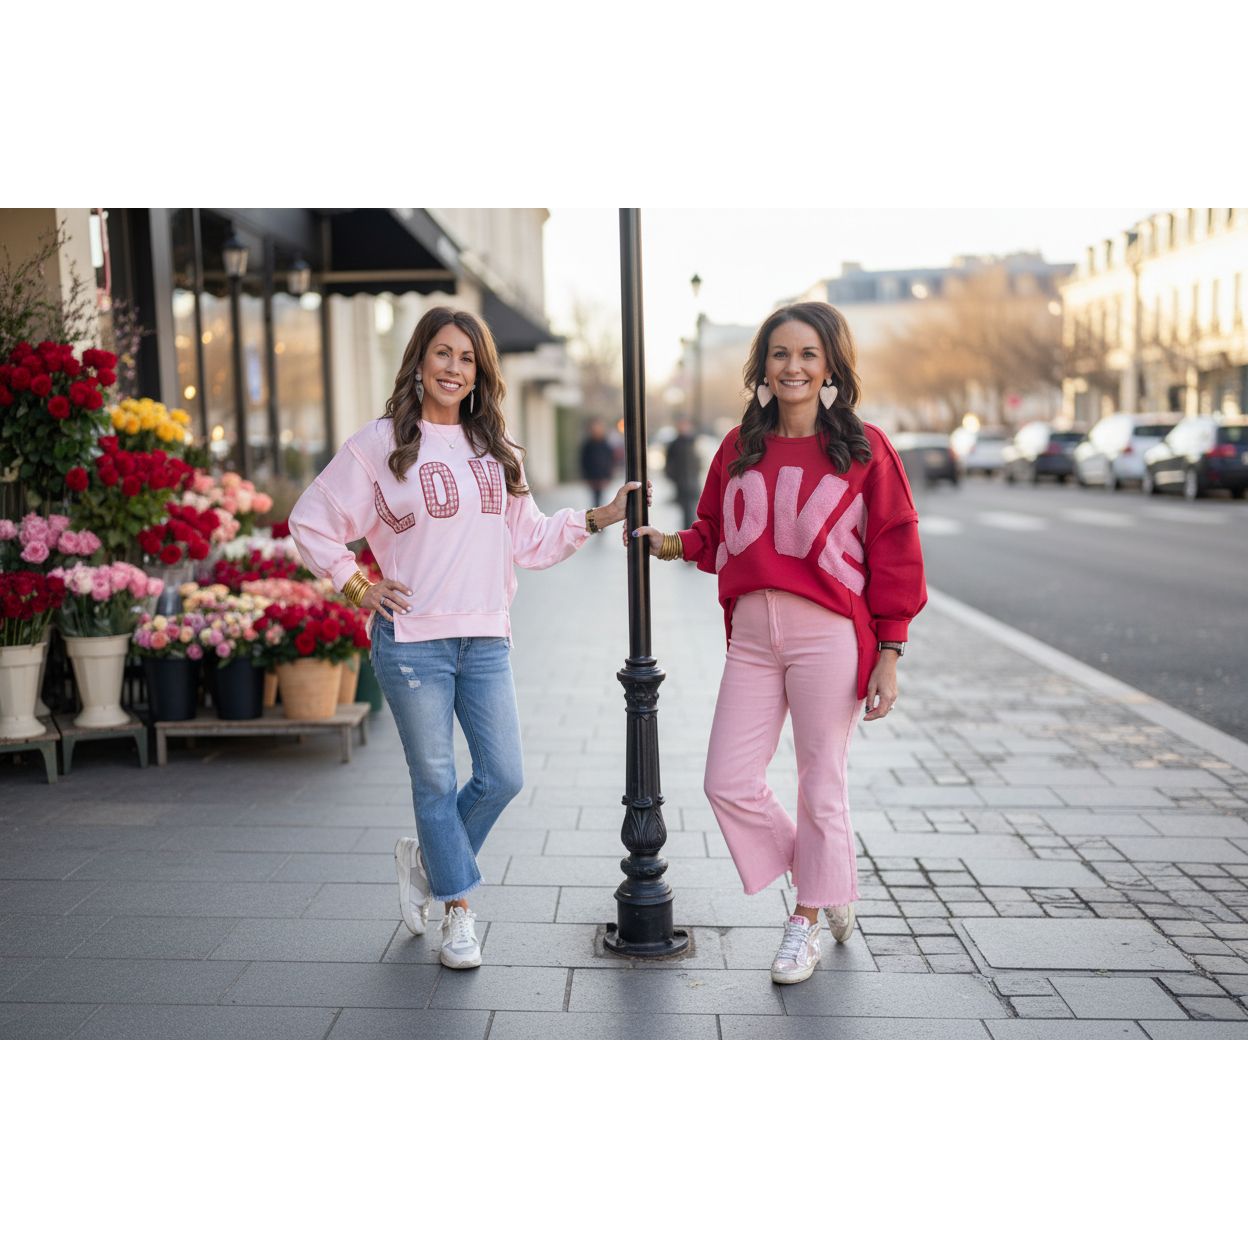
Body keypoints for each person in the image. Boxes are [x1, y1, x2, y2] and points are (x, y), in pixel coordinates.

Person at [288, 307, 641, 970]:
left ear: (480, 373)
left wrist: (598, 516)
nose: (454, 368)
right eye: (443, 354)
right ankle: (458, 911)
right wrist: (358, 586)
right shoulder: (377, 446)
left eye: (467, 358)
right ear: (420, 362)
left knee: (504, 774)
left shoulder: (498, 450)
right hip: (412, 640)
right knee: (436, 778)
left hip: (485, 638)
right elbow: (309, 520)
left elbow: (529, 541)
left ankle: (430, 862)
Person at [632, 302, 926, 985]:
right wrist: (670, 544)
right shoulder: (739, 448)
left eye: (807, 354)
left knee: (821, 786)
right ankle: (826, 878)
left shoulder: (864, 449)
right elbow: (713, 532)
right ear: (763, 366)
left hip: (830, 635)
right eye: (779, 354)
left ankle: (807, 919)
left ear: (830, 367)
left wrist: (891, 650)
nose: (792, 366)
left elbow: (896, 551)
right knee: (727, 781)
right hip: (754, 639)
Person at [664, 416, 701, 530]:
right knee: (686, 510)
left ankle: (692, 532)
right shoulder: (674, 444)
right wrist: (675, 478)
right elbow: (668, 465)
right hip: (681, 483)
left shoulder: (693, 441)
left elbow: (699, 460)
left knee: (694, 510)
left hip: (693, 481)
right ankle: (688, 532)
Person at [579, 418, 615, 509]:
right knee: (595, 499)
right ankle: (596, 516)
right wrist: (586, 477)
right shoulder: (587, 445)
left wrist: (608, 476)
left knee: (601, 499)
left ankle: (600, 515)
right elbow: (584, 461)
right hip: (592, 477)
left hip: (603, 476)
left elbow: (610, 460)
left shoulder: (606, 444)